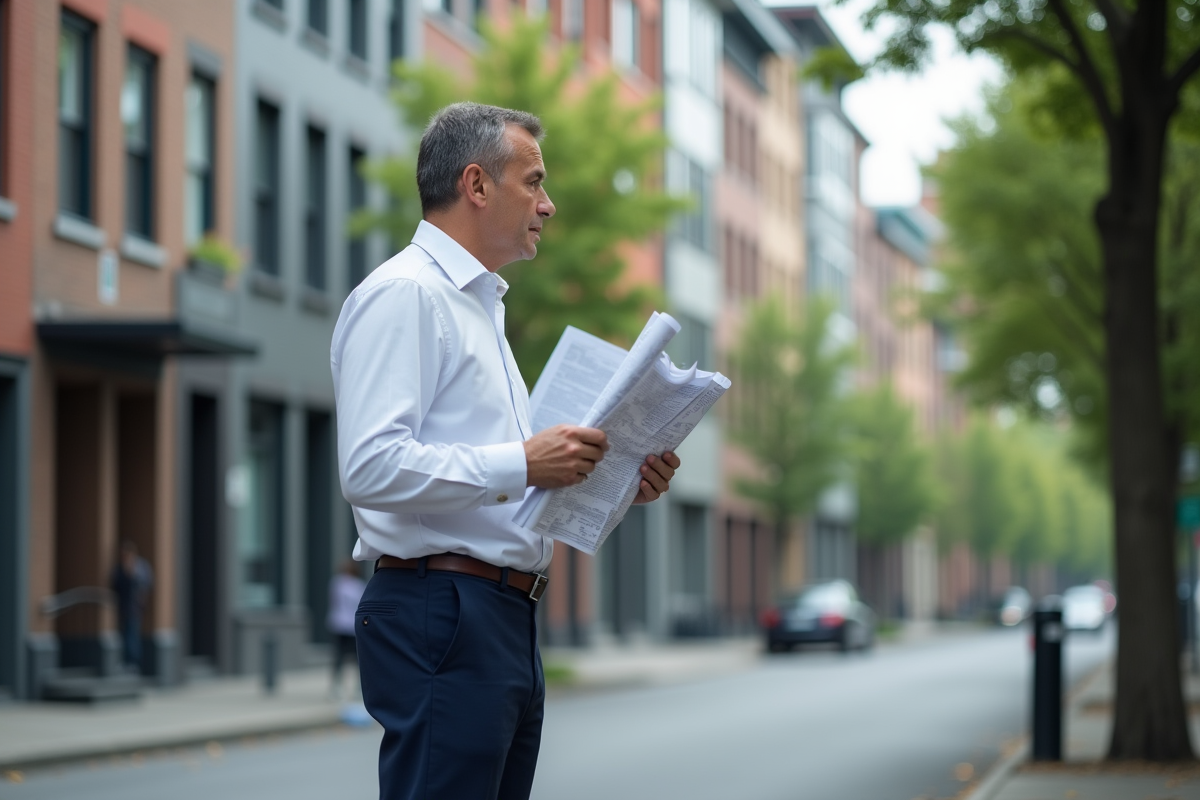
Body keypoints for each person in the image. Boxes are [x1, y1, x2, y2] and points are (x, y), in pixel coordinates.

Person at [330, 102, 681, 800]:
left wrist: (615, 478)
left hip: (497, 615)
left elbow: (512, 495)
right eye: (535, 182)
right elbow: (368, 468)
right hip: (443, 607)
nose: (548, 205)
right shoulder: (406, 294)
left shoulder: (479, 307)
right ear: (477, 185)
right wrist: (524, 462)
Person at [110, 540, 152, 671]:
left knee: (132, 634)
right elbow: (114, 584)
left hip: (134, 608)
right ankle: (125, 661)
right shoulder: (119, 568)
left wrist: (131, 573)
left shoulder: (140, 567)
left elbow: (146, 584)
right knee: (123, 634)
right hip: (122, 607)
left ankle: (133, 662)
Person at [327, 560, 367, 698]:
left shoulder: (339, 583)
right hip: (346, 625)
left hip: (343, 625)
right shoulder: (356, 585)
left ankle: (346, 687)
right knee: (349, 658)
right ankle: (351, 688)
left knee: (344, 658)